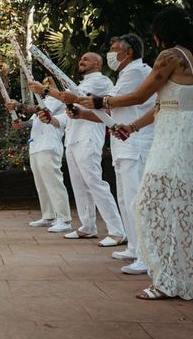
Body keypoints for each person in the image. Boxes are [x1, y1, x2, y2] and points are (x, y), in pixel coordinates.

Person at [80, 6, 193, 300]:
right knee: (179, 206)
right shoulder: (189, 58)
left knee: (148, 205)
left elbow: (141, 96)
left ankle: (166, 279)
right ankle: (181, 274)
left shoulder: (170, 57)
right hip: (178, 133)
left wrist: (100, 102)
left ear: (160, 34)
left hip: (174, 140)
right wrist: (131, 127)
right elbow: (163, 105)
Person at [70, 35, 155, 275]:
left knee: (134, 199)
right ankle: (134, 246)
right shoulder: (125, 74)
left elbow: (109, 104)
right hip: (124, 144)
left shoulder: (136, 72)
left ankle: (144, 256)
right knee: (125, 198)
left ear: (127, 53)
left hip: (135, 144)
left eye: (113, 49)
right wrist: (82, 113)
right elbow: (110, 112)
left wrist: (79, 101)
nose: (110, 53)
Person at [30, 52, 126, 247]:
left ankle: (117, 231)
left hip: (89, 139)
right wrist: (53, 120)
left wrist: (46, 90)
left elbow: (79, 100)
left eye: (86, 59)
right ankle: (87, 226)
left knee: (94, 183)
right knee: (80, 186)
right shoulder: (81, 84)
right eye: (81, 59)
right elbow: (70, 112)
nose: (81, 61)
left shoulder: (101, 81)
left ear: (98, 63)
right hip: (72, 139)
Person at [6, 78, 72, 233]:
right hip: (36, 145)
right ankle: (48, 216)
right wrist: (20, 124)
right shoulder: (45, 100)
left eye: (49, 83)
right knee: (41, 183)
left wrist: (19, 105)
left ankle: (64, 219)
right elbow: (33, 121)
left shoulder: (62, 97)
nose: (46, 85)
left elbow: (39, 110)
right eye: (45, 83)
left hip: (49, 145)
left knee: (54, 182)